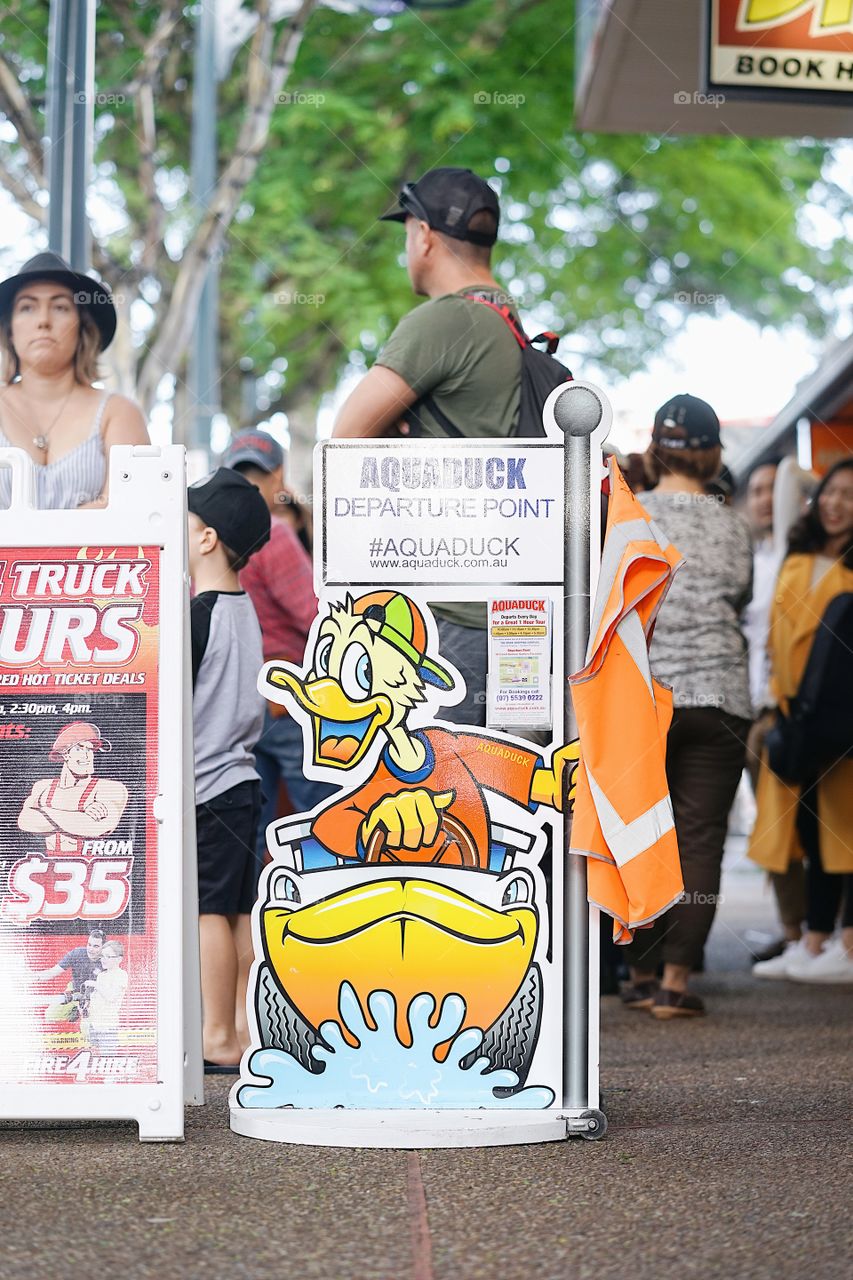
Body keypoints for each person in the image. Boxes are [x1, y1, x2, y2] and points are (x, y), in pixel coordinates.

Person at [332, 167, 521, 725]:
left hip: (451, 614)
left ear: (423, 234)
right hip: (513, 609)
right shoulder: (509, 321)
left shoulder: (447, 321)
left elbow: (344, 441)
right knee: (503, 795)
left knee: (440, 797)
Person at [621, 394, 753, 1018]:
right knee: (701, 838)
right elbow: (743, 593)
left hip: (646, 695)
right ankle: (676, 983)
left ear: (656, 447)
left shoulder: (632, 514)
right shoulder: (733, 522)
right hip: (721, 695)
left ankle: (640, 973)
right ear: (714, 454)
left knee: (645, 830)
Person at [750, 457, 853, 983]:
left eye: (850, 496)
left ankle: (847, 945)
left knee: (845, 830)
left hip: (842, 719)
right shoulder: (799, 553)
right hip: (796, 714)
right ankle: (814, 939)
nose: (836, 504)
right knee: (809, 832)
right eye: (831, 492)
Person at [188, 467, 271, 1071]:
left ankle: (215, 1033)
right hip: (241, 781)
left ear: (207, 538)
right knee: (239, 910)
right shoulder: (243, 610)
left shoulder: (199, 615)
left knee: (207, 912)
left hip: (206, 786)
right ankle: (242, 1029)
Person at [221, 429, 334, 842]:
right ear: (280, 476)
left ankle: (255, 904)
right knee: (319, 819)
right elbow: (316, 618)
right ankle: (323, 899)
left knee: (256, 825)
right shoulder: (275, 533)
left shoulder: (209, 540)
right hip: (289, 701)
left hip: (237, 704)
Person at [0, 251, 149, 508]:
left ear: (82, 328)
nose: (43, 321)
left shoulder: (118, 413)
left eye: (60, 307)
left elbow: (131, 514)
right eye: (27, 307)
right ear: (10, 330)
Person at [740, 458, 807, 960]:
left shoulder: (796, 557)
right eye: (755, 490)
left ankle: (813, 933)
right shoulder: (745, 559)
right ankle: (792, 931)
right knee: (770, 823)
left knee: (804, 822)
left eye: (771, 490)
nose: (764, 498)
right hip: (744, 710)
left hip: (789, 711)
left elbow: (795, 476)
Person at [18, 722, 129, 854]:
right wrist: (80, 813)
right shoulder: (43, 786)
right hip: (50, 868)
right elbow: (24, 821)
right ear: (65, 754)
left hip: (91, 869)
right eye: (79, 748)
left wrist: (42, 811)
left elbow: (96, 827)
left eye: (91, 749)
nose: (87, 756)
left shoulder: (109, 788)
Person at [34, 928, 104, 1021]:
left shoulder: (107, 961)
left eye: (96, 946)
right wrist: (35, 977)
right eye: (89, 945)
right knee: (50, 1015)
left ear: (103, 947)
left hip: (96, 996)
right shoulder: (77, 953)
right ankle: (74, 1011)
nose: (90, 949)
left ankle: (84, 1014)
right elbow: (54, 971)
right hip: (75, 991)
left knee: (87, 1027)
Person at [85, 939, 128, 1054]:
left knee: (107, 1058)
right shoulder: (102, 976)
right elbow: (96, 1000)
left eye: (108, 956)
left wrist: (95, 984)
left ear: (119, 959)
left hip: (108, 1027)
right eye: (102, 956)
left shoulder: (121, 975)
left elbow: (111, 997)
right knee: (92, 1059)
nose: (103, 959)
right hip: (94, 1025)